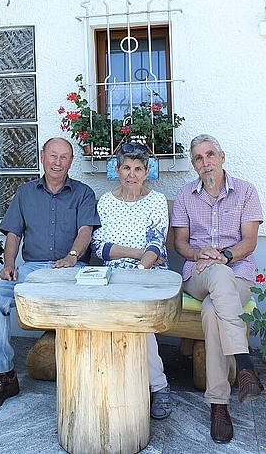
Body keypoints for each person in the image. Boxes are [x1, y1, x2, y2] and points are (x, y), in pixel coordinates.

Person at [0, 137, 100, 411]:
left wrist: (71, 257)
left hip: (71, 269)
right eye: (53, 156)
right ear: (43, 156)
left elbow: (85, 232)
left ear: (71, 161)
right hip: (31, 271)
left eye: (64, 157)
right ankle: (4, 375)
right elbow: (13, 233)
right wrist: (9, 264)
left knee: (94, 302)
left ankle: (89, 374)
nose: (57, 162)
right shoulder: (24, 193)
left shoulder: (83, 193)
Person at [171, 134, 264, 443]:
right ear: (194, 165)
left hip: (236, 273)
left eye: (210, 154)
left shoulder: (246, 191)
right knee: (215, 277)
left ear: (222, 157)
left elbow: (250, 242)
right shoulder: (185, 195)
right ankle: (246, 364)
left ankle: (218, 405)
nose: (205, 161)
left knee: (213, 309)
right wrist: (201, 254)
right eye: (198, 158)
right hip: (197, 274)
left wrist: (223, 256)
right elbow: (180, 243)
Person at [92, 142, 171, 420]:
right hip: (113, 275)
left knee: (137, 314)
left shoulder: (157, 201)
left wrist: (139, 265)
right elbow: (99, 247)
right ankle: (113, 383)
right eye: (126, 167)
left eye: (138, 169)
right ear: (117, 169)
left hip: (147, 274)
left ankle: (158, 386)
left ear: (147, 172)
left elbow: (157, 244)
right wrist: (139, 253)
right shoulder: (105, 202)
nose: (131, 174)